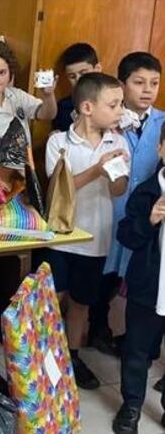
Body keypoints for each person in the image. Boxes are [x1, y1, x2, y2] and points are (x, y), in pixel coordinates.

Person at [37, 72, 128, 391]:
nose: (120, 110)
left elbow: (118, 190)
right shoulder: (58, 142)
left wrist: (117, 172)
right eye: (114, 105)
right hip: (61, 236)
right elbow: (58, 189)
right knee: (51, 299)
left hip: (96, 238)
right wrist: (96, 169)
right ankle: (44, 359)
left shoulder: (117, 141)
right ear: (88, 107)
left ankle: (72, 358)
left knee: (81, 303)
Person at [113, 122, 165, 434]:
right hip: (148, 286)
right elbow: (127, 237)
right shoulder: (146, 191)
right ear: (161, 149)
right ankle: (131, 406)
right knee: (136, 350)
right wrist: (149, 220)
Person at [0, 40, 57, 141]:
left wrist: (49, 96)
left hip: (23, 156)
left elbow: (47, 115)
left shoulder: (17, 95)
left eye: (2, 72)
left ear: (10, 74)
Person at [52, 43, 102, 132]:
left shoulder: (112, 101)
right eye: (72, 76)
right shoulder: (63, 107)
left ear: (97, 69)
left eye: (83, 73)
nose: (78, 80)